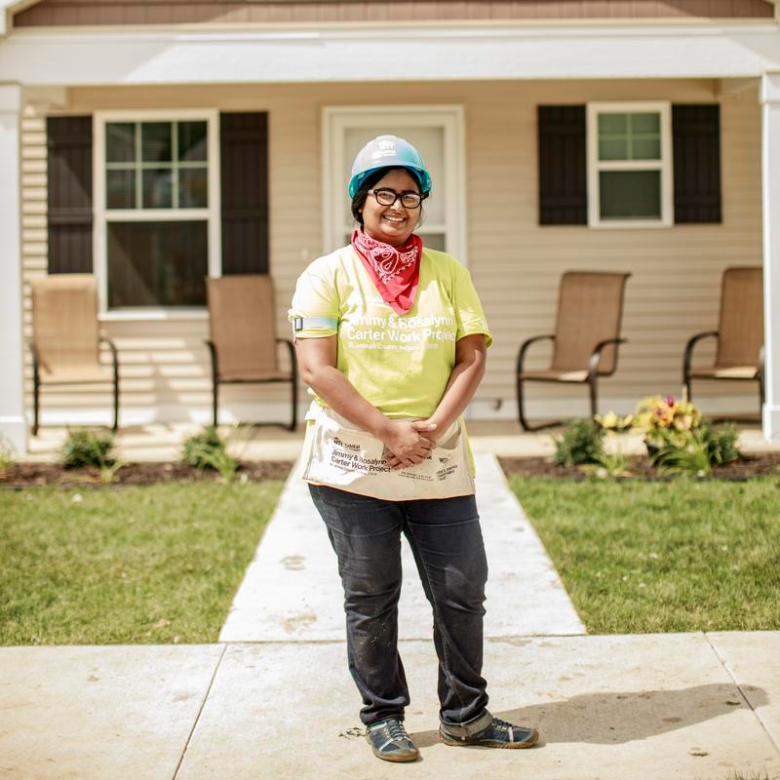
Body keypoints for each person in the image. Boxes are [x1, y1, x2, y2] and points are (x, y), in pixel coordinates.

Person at [288, 135, 539, 763]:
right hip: (351, 466)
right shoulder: (326, 274)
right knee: (372, 594)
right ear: (360, 201)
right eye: (383, 193)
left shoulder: (449, 272)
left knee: (462, 588)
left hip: (437, 460)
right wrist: (387, 430)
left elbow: (472, 356)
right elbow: (317, 370)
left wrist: (426, 431)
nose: (397, 206)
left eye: (409, 194)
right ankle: (383, 716)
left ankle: (466, 715)